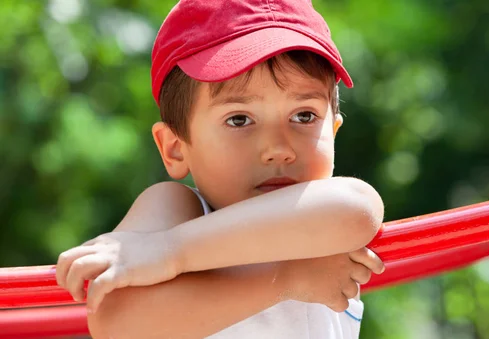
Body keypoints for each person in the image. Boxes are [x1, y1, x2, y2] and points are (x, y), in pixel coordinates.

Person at [54, 0, 386, 338]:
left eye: (304, 116)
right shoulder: (177, 210)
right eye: (239, 119)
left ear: (332, 134)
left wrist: (171, 251)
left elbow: (358, 210)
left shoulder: (330, 227)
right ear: (175, 147)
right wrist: (287, 279)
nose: (278, 149)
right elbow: (115, 322)